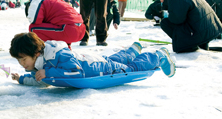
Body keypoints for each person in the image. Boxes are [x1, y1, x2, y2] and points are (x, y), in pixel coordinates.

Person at [9, 32, 175, 87]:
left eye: (23, 60)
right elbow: (39, 79)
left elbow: (76, 73)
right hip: (94, 60)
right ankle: (132, 50)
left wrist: (48, 72)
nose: (22, 64)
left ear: (36, 53)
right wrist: (21, 79)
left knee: (129, 68)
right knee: (114, 59)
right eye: (19, 61)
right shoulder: (41, 65)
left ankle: (158, 56)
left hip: (98, 68)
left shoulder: (58, 56)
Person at [153, 0, 222, 53]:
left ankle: (187, 46)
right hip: (211, 28)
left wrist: (170, 10)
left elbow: (177, 20)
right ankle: (197, 44)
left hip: (203, 31)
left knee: (165, 23)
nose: (160, 1)